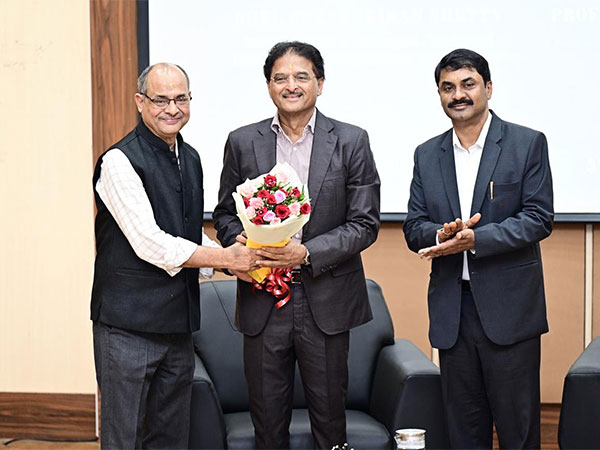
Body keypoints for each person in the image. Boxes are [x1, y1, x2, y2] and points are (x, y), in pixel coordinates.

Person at [213, 41, 380, 449]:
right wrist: (237, 237)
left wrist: (305, 253)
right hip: (262, 298)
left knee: (329, 421)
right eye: (280, 77)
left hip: (325, 296)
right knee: (267, 422)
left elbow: (365, 224)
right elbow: (223, 214)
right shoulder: (242, 141)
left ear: (320, 84)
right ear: (269, 86)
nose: (291, 85)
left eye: (301, 76)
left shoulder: (351, 141)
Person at [91, 62, 257, 449]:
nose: (172, 108)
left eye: (180, 98)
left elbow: (185, 233)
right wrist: (226, 260)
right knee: (124, 439)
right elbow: (152, 243)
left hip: (178, 327)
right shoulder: (118, 162)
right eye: (160, 99)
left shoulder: (192, 157)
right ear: (140, 102)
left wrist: (234, 260)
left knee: (171, 439)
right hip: (126, 328)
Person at [403, 48, 554, 449]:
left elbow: (539, 218)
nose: (458, 95)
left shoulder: (526, 143)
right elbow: (414, 227)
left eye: (468, 85)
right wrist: (442, 235)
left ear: (488, 88)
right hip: (455, 312)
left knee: (517, 431)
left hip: (510, 312)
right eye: (447, 88)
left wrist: (477, 239)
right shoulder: (426, 154)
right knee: (463, 432)